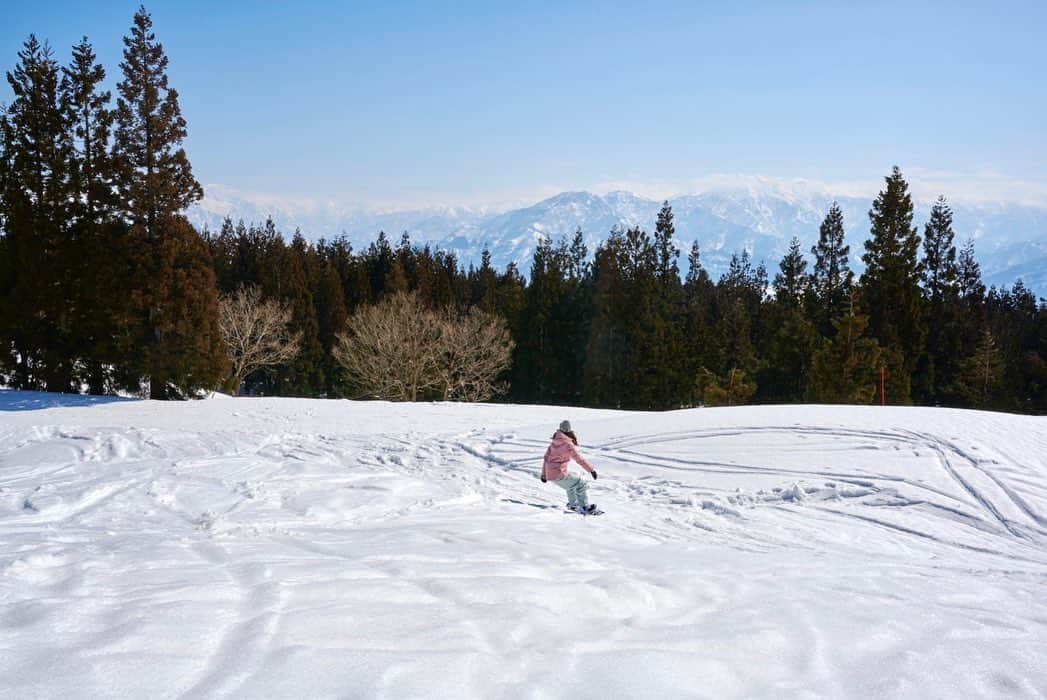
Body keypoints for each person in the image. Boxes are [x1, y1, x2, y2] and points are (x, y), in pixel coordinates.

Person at [541, 420, 598, 513]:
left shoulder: (554, 442)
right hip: (558, 473)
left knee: (572, 483)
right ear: (569, 430)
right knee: (581, 483)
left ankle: (573, 505)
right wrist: (591, 470)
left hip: (550, 473)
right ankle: (584, 507)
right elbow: (579, 459)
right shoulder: (567, 444)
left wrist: (544, 474)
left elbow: (546, 459)